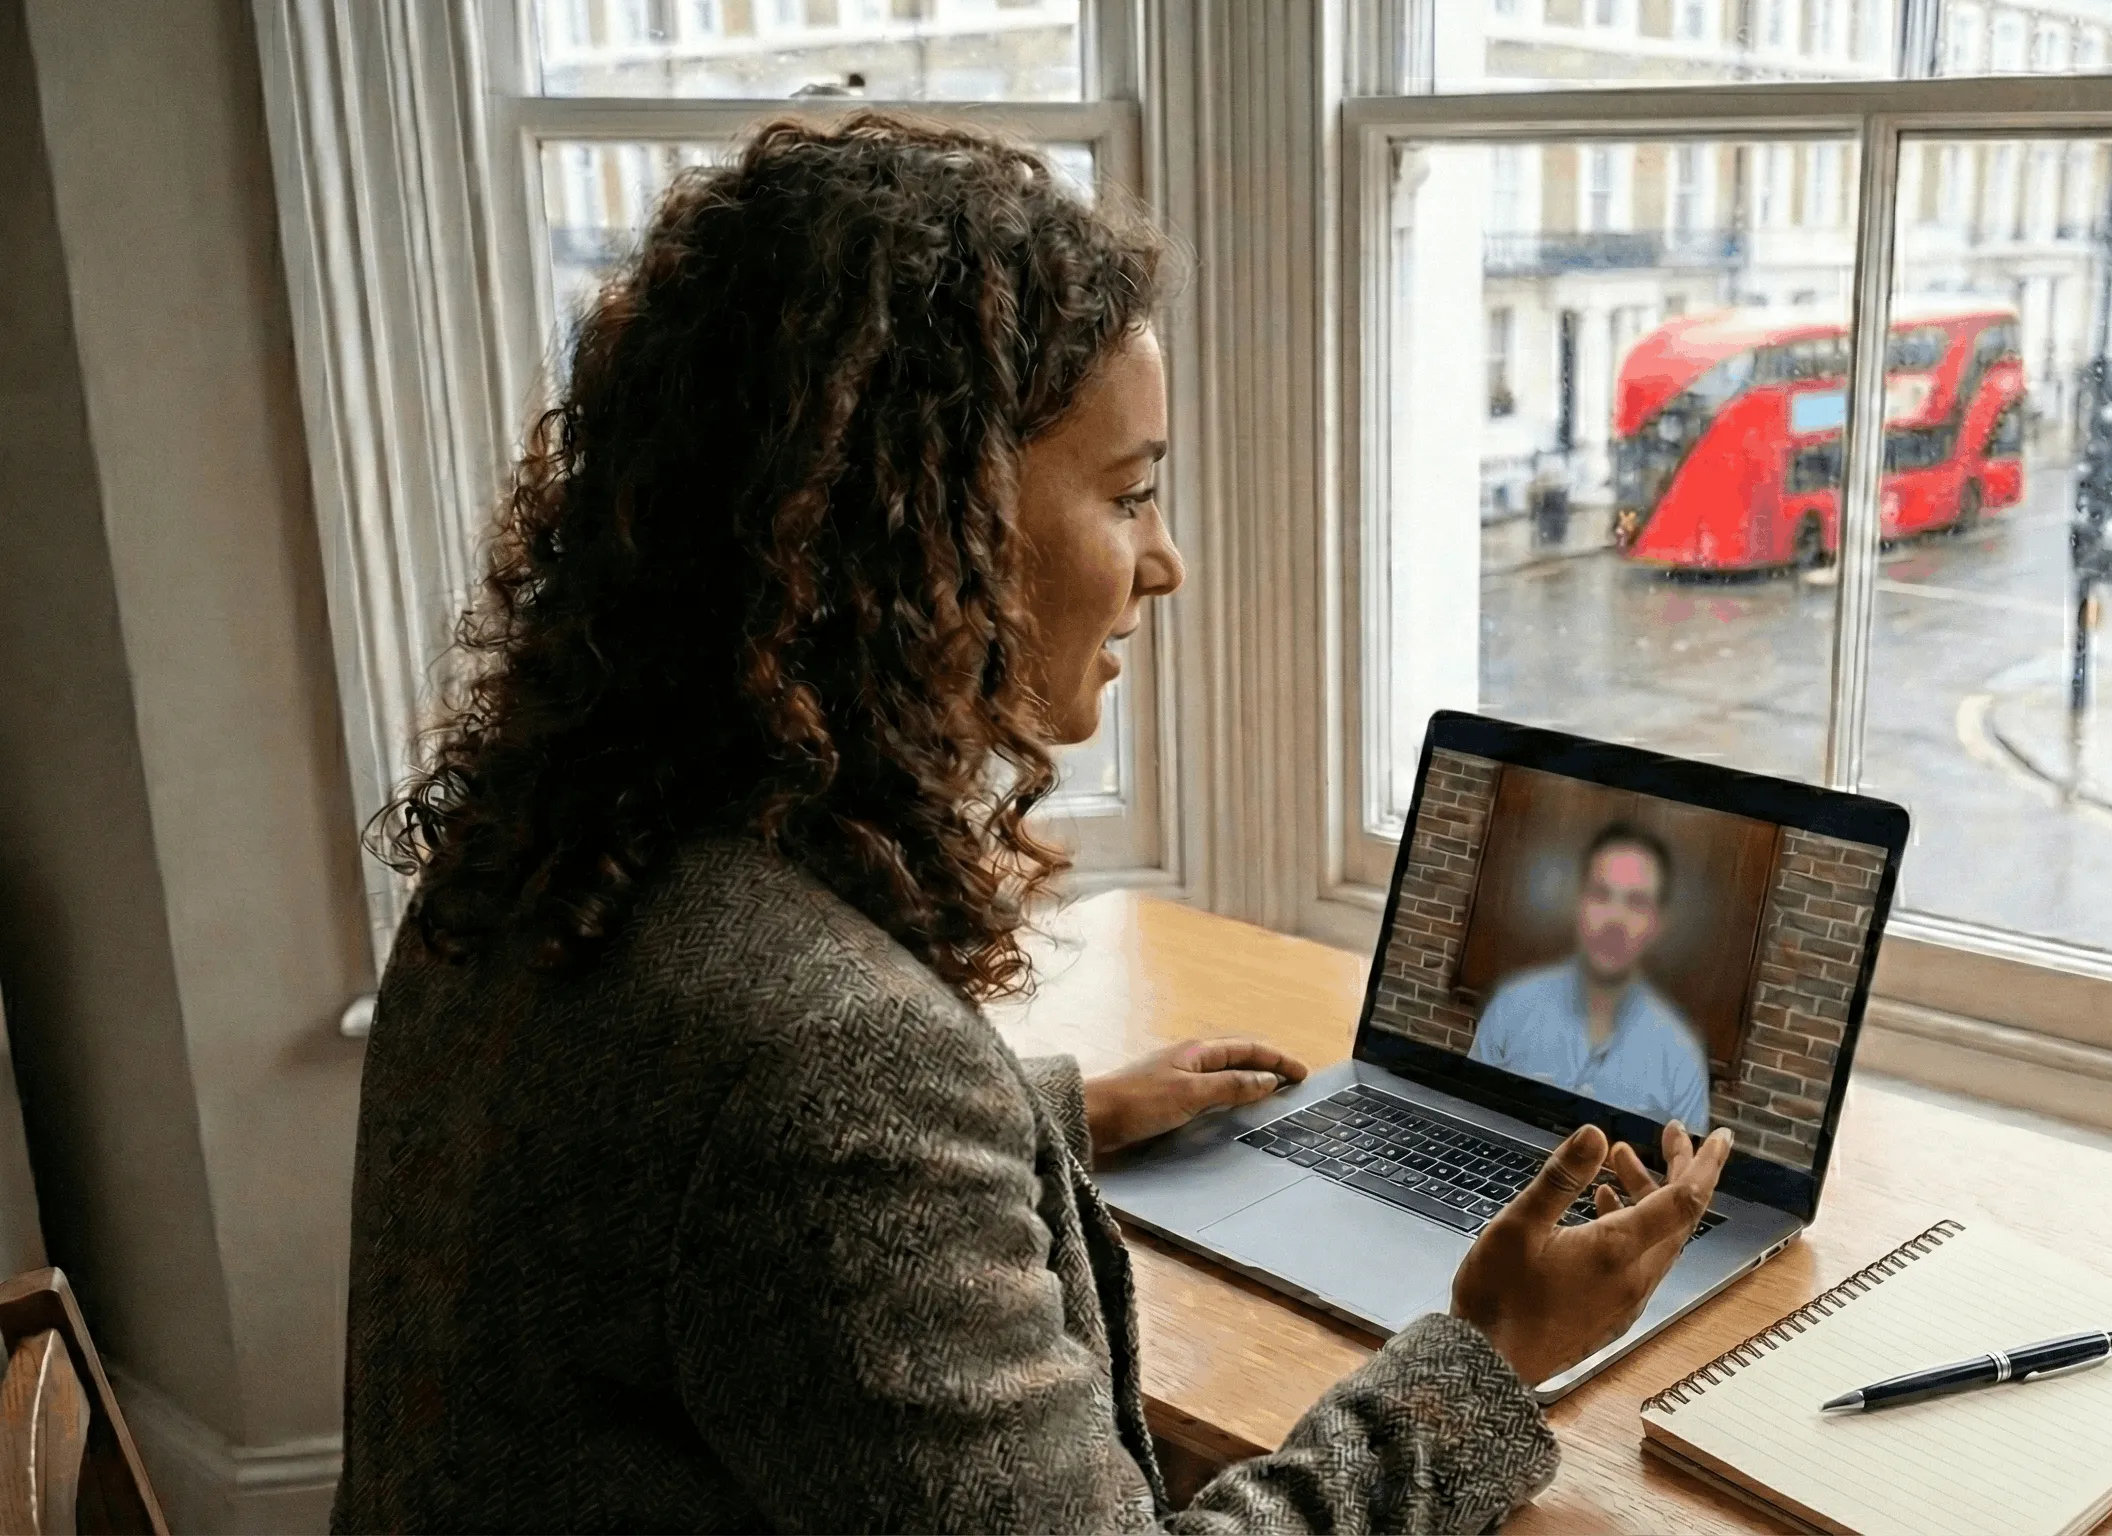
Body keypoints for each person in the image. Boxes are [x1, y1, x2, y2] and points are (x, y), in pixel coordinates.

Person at [333, 116, 1731, 1534]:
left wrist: (1045, 1117)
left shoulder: (555, 856)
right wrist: (1484, 1360)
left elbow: (690, 1167)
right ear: (916, 524)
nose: (1165, 561)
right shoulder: (836, 1073)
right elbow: (804, 1117)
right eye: (1129, 494)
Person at [1470, 823, 1713, 1132]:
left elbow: (1685, 1161)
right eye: (1601, 894)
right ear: (1579, 903)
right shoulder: (1511, 1006)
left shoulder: (1683, 1058)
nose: (1616, 919)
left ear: (1657, 923)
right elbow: (1468, 1112)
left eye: (1637, 902)